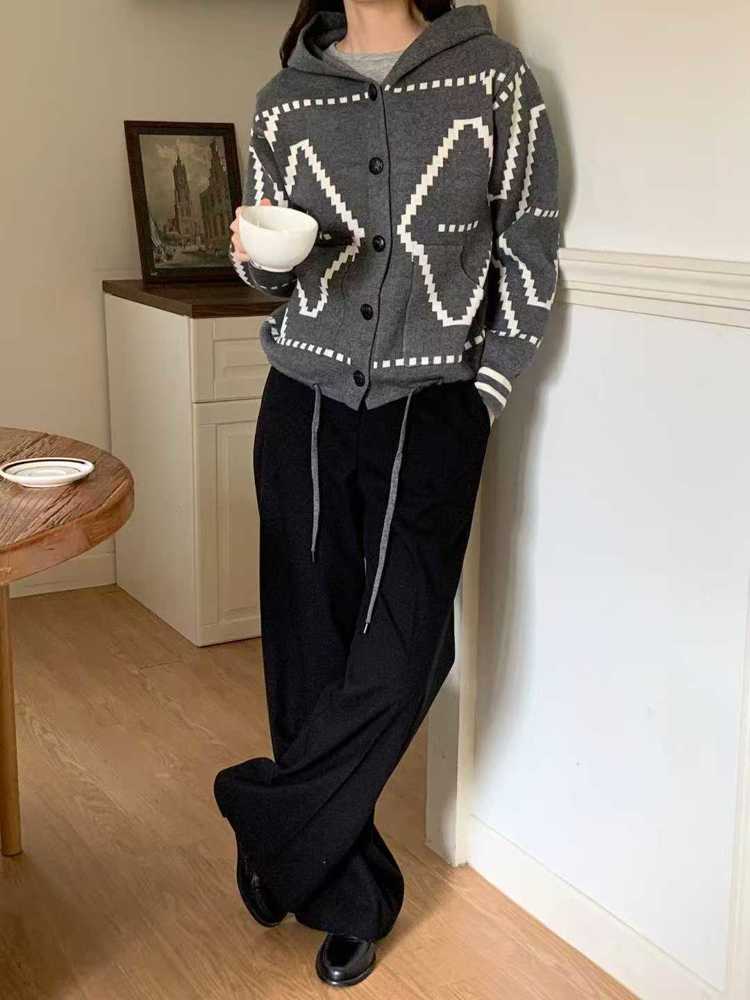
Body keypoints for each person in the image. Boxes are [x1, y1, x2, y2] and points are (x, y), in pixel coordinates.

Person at [216, 0, 560, 987]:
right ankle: (344, 893)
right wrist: (251, 257)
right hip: (304, 399)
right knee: (309, 646)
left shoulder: (492, 76)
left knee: (409, 648)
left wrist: (485, 392)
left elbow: (529, 245)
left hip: (435, 403)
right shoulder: (285, 98)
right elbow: (272, 274)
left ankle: (272, 821)